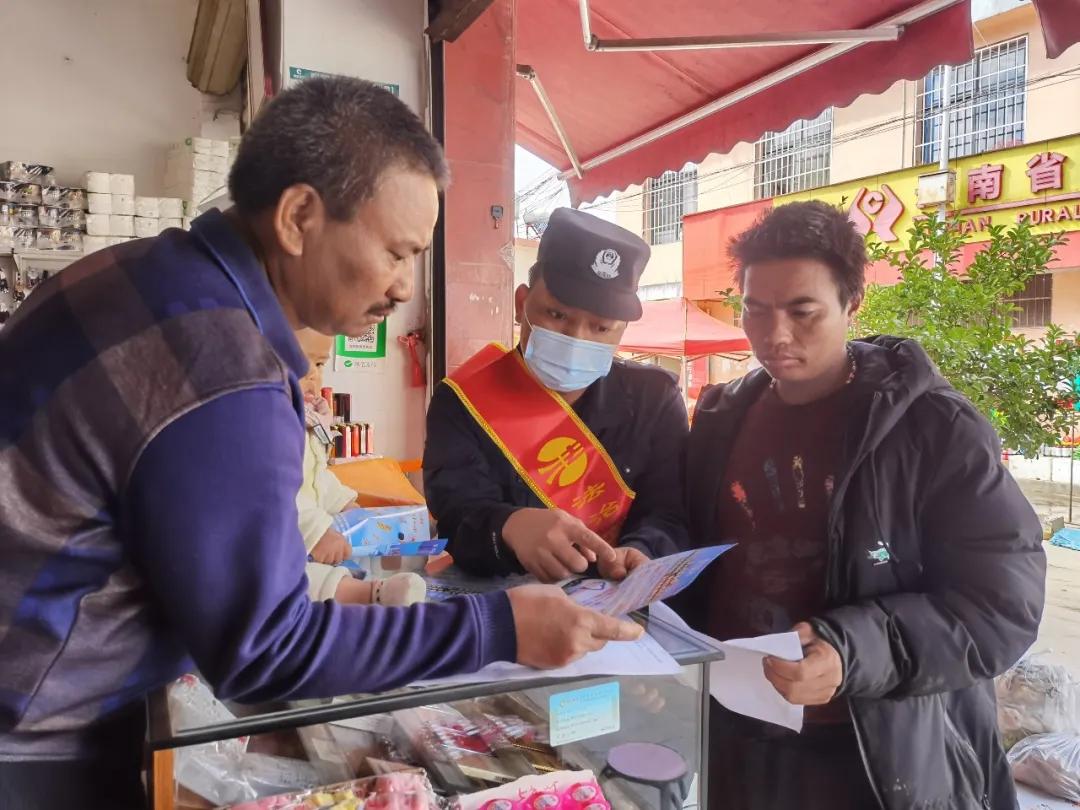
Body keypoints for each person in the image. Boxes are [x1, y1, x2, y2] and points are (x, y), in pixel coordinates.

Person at [0, 77, 641, 809]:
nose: (405, 288)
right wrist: (498, 626)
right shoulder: (225, 369)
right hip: (31, 738)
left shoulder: (131, 270)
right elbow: (266, 652)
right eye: (398, 253)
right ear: (300, 216)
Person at [674, 200, 1046, 810]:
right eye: (755, 310)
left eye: (803, 311)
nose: (775, 336)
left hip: (876, 751)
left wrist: (852, 650)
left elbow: (1001, 606)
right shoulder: (721, 418)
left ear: (852, 305)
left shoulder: (932, 429)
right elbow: (695, 559)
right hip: (739, 736)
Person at [423, 207, 690, 584]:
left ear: (622, 330)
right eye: (557, 315)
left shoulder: (654, 400)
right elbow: (455, 515)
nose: (577, 339)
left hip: (617, 603)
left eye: (601, 327)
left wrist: (643, 550)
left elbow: (670, 512)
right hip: (507, 604)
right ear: (521, 304)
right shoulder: (462, 401)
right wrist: (509, 527)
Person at [294, 328, 426, 605]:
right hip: (283, 537)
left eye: (319, 364)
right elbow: (278, 492)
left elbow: (318, 479)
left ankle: (394, 570)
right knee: (292, 577)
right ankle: (369, 594)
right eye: (299, 361)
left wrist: (347, 504)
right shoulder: (268, 426)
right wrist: (316, 531)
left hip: (313, 533)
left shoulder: (309, 420)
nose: (313, 375)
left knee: (368, 543)